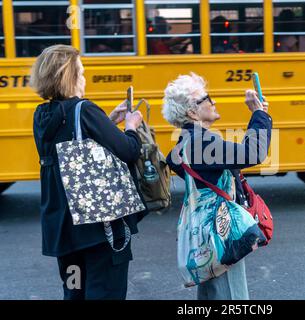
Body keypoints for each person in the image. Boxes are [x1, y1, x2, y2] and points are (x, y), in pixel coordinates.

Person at [31, 44, 148, 300]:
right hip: (97, 227)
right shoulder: (85, 110)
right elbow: (129, 150)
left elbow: (71, 142)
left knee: (75, 290)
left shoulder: (42, 115)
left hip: (62, 231)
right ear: (69, 76)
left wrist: (107, 122)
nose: (83, 77)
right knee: (105, 291)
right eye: (80, 72)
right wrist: (130, 127)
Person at [163, 73, 272, 300]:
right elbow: (253, 153)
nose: (213, 102)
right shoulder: (201, 142)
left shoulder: (185, 143)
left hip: (204, 234)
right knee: (230, 295)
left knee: (213, 291)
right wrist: (259, 115)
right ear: (192, 111)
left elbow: (174, 160)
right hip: (221, 233)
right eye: (207, 98)